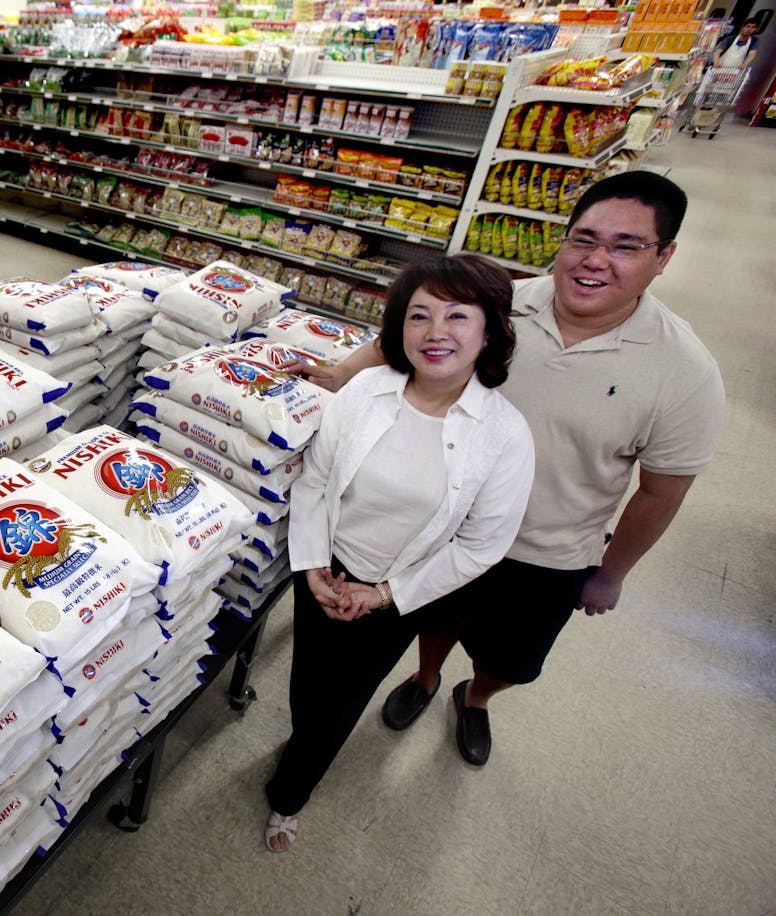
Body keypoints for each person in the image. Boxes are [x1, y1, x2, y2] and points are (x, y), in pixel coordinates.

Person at [299, 172, 725, 769]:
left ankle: (474, 699)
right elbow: (405, 338)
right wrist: (338, 376)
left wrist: (612, 573)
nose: (595, 260)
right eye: (583, 239)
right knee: (436, 617)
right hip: (443, 528)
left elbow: (661, 492)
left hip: (548, 551)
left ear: (665, 257)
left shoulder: (685, 371)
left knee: (509, 659)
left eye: (626, 246)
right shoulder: (499, 304)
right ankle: (424, 679)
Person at [263, 254, 535, 853]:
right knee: (307, 685)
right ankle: (303, 742)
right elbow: (314, 480)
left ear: (489, 331)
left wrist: (383, 594)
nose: (436, 332)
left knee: (343, 701)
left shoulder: (504, 434)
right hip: (326, 572)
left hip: (398, 595)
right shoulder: (365, 389)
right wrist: (311, 568)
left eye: (457, 316)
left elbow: (482, 545)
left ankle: (290, 796)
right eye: (420, 315)